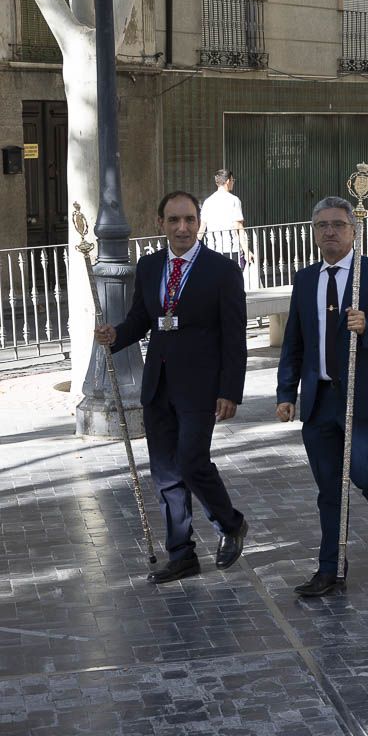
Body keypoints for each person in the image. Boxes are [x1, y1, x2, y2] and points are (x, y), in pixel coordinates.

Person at [94, 191, 249, 584]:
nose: (183, 228)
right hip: (158, 384)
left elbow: (235, 336)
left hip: (201, 386)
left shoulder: (222, 270)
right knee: (165, 473)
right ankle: (181, 554)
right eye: (174, 220)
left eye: (189, 220)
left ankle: (230, 523)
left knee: (192, 461)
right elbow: (142, 319)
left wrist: (230, 390)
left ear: (200, 222)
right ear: (160, 223)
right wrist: (116, 335)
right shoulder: (148, 267)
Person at [276, 197, 368, 597]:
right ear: (314, 232)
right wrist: (287, 392)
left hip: (364, 397)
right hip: (320, 399)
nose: (330, 232)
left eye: (338, 224)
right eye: (322, 225)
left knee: (366, 471)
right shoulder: (305, 280)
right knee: (329, 487)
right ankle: (330, 569)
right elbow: (294, 343)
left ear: (354, 230)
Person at [199, 169, 253, 270]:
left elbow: (202, 228)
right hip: (232, 248)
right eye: (233, 180)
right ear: (228, 181)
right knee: (232, 281)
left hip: (213, 248)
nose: (233, 183)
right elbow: (239, 227)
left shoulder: (208, 201)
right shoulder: (234, 200)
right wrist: (246, 250)